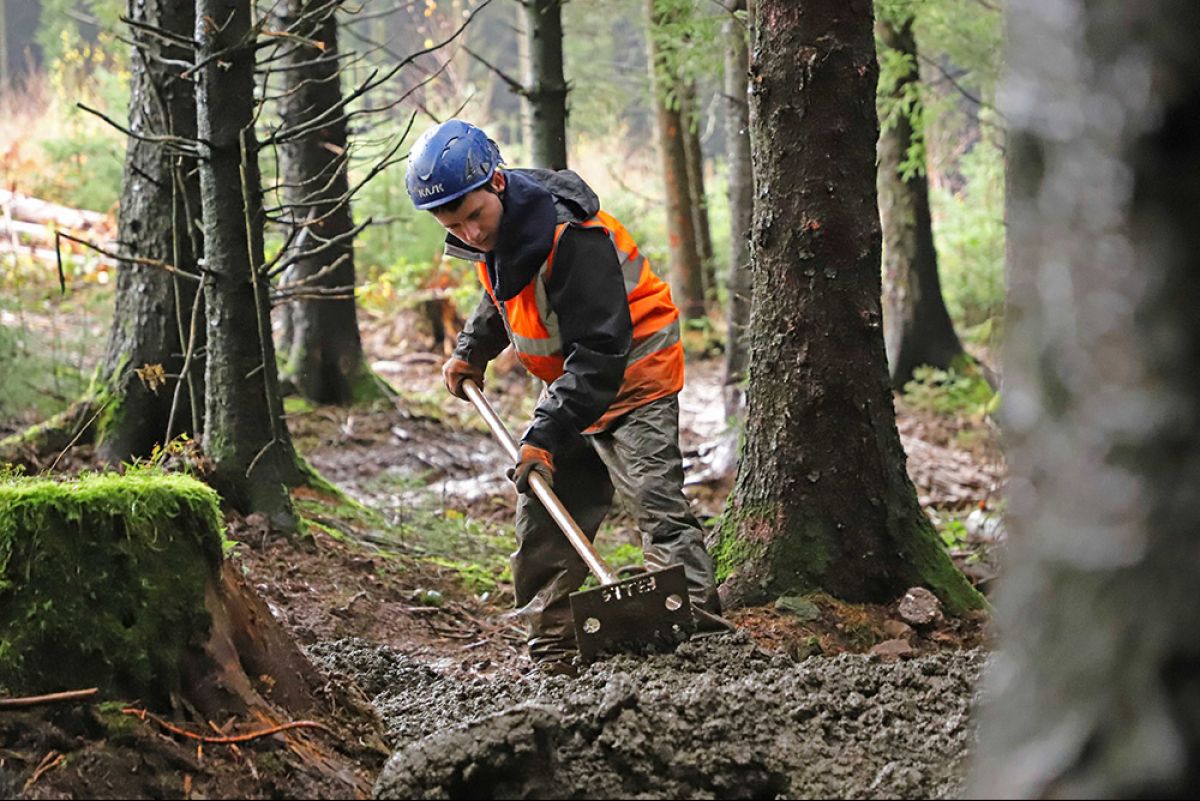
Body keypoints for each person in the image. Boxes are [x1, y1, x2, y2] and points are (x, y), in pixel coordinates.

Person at [406, 119, 730, 674]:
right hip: (572, 386)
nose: (472, 233)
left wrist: (545, 432)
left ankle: (698, 639)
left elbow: (601, 350)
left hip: (632, 376)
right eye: (454, 225)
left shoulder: (572, 237)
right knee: (544, 514)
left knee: (656, 505)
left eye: (475, 216)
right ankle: (553, 647)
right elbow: (504, 291)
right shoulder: (495, 234)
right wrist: (472, 350)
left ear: (497, 183)